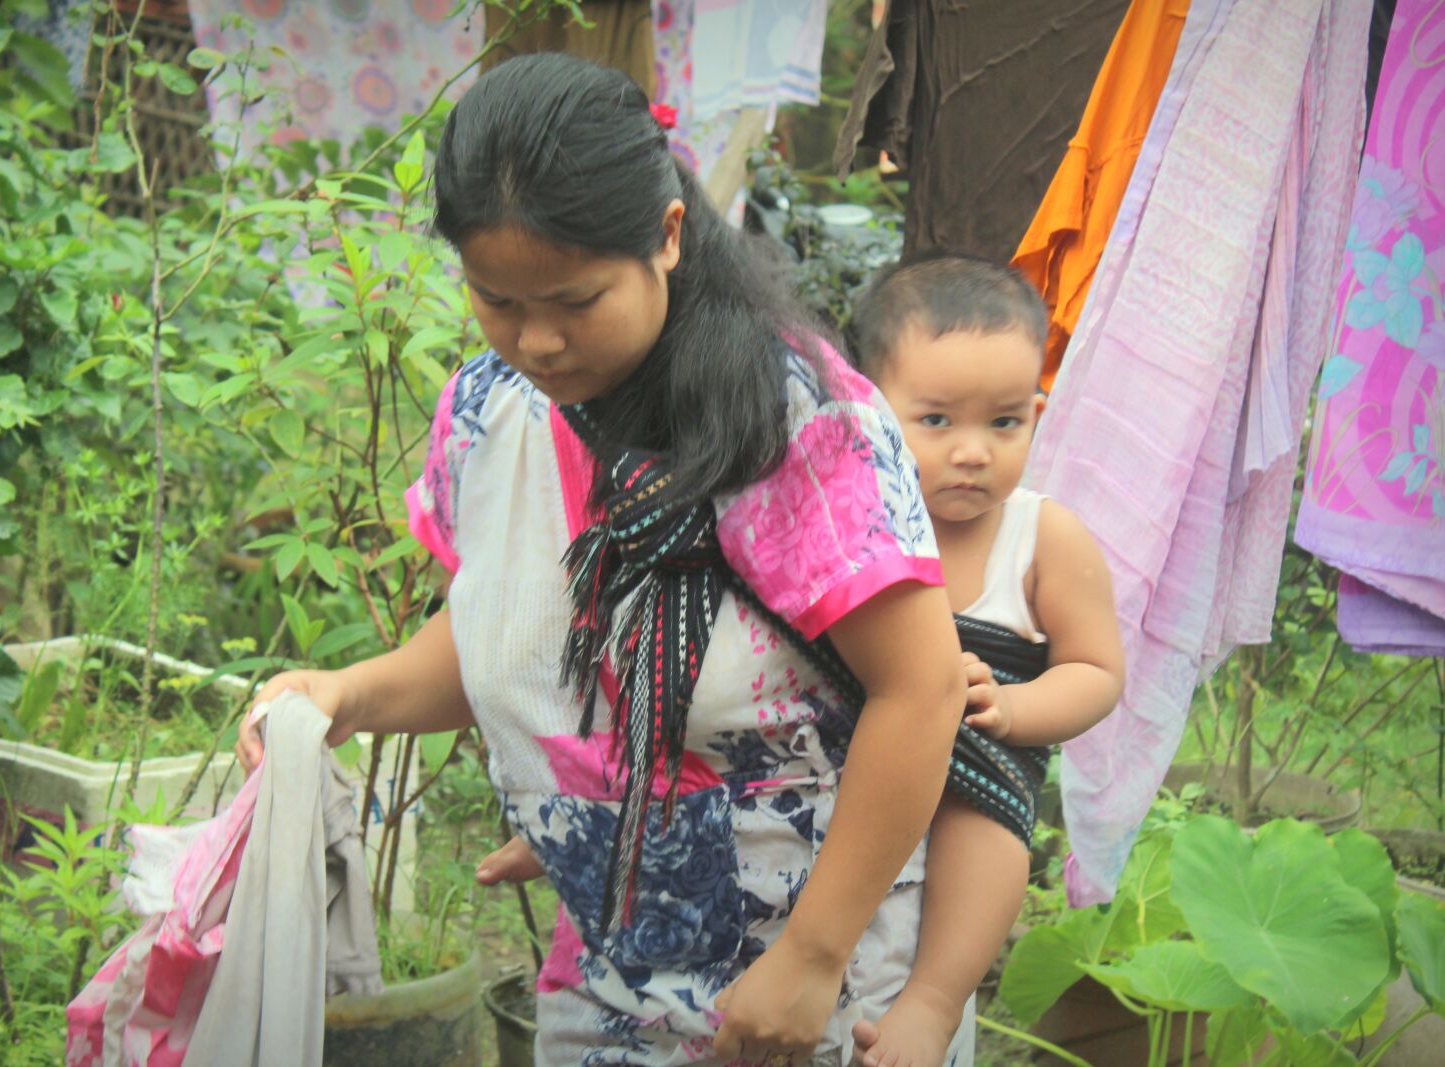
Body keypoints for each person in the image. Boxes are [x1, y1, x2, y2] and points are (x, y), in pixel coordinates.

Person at [236, 54, 972, 1066]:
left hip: (825, 992)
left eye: (576, 299)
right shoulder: (488, 415)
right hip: (609, 982)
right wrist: (344, 695)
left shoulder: (799, 421)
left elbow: (921, 689)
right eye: (498, 300)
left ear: (666, 235)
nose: (537, 340)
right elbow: (506, 625)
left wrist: (811, 953)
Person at [845, 256, 1125, 1067]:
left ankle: (935, 1000)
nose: (973, 451)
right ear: (868, 411)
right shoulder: (848, 513)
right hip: (858, 756)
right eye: (936, 421)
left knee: (989, 829)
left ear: (1038, 412)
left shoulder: (1045, 536)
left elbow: (1097, 671)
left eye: (1004, 423)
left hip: (981, 748)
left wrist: (1013, 708)